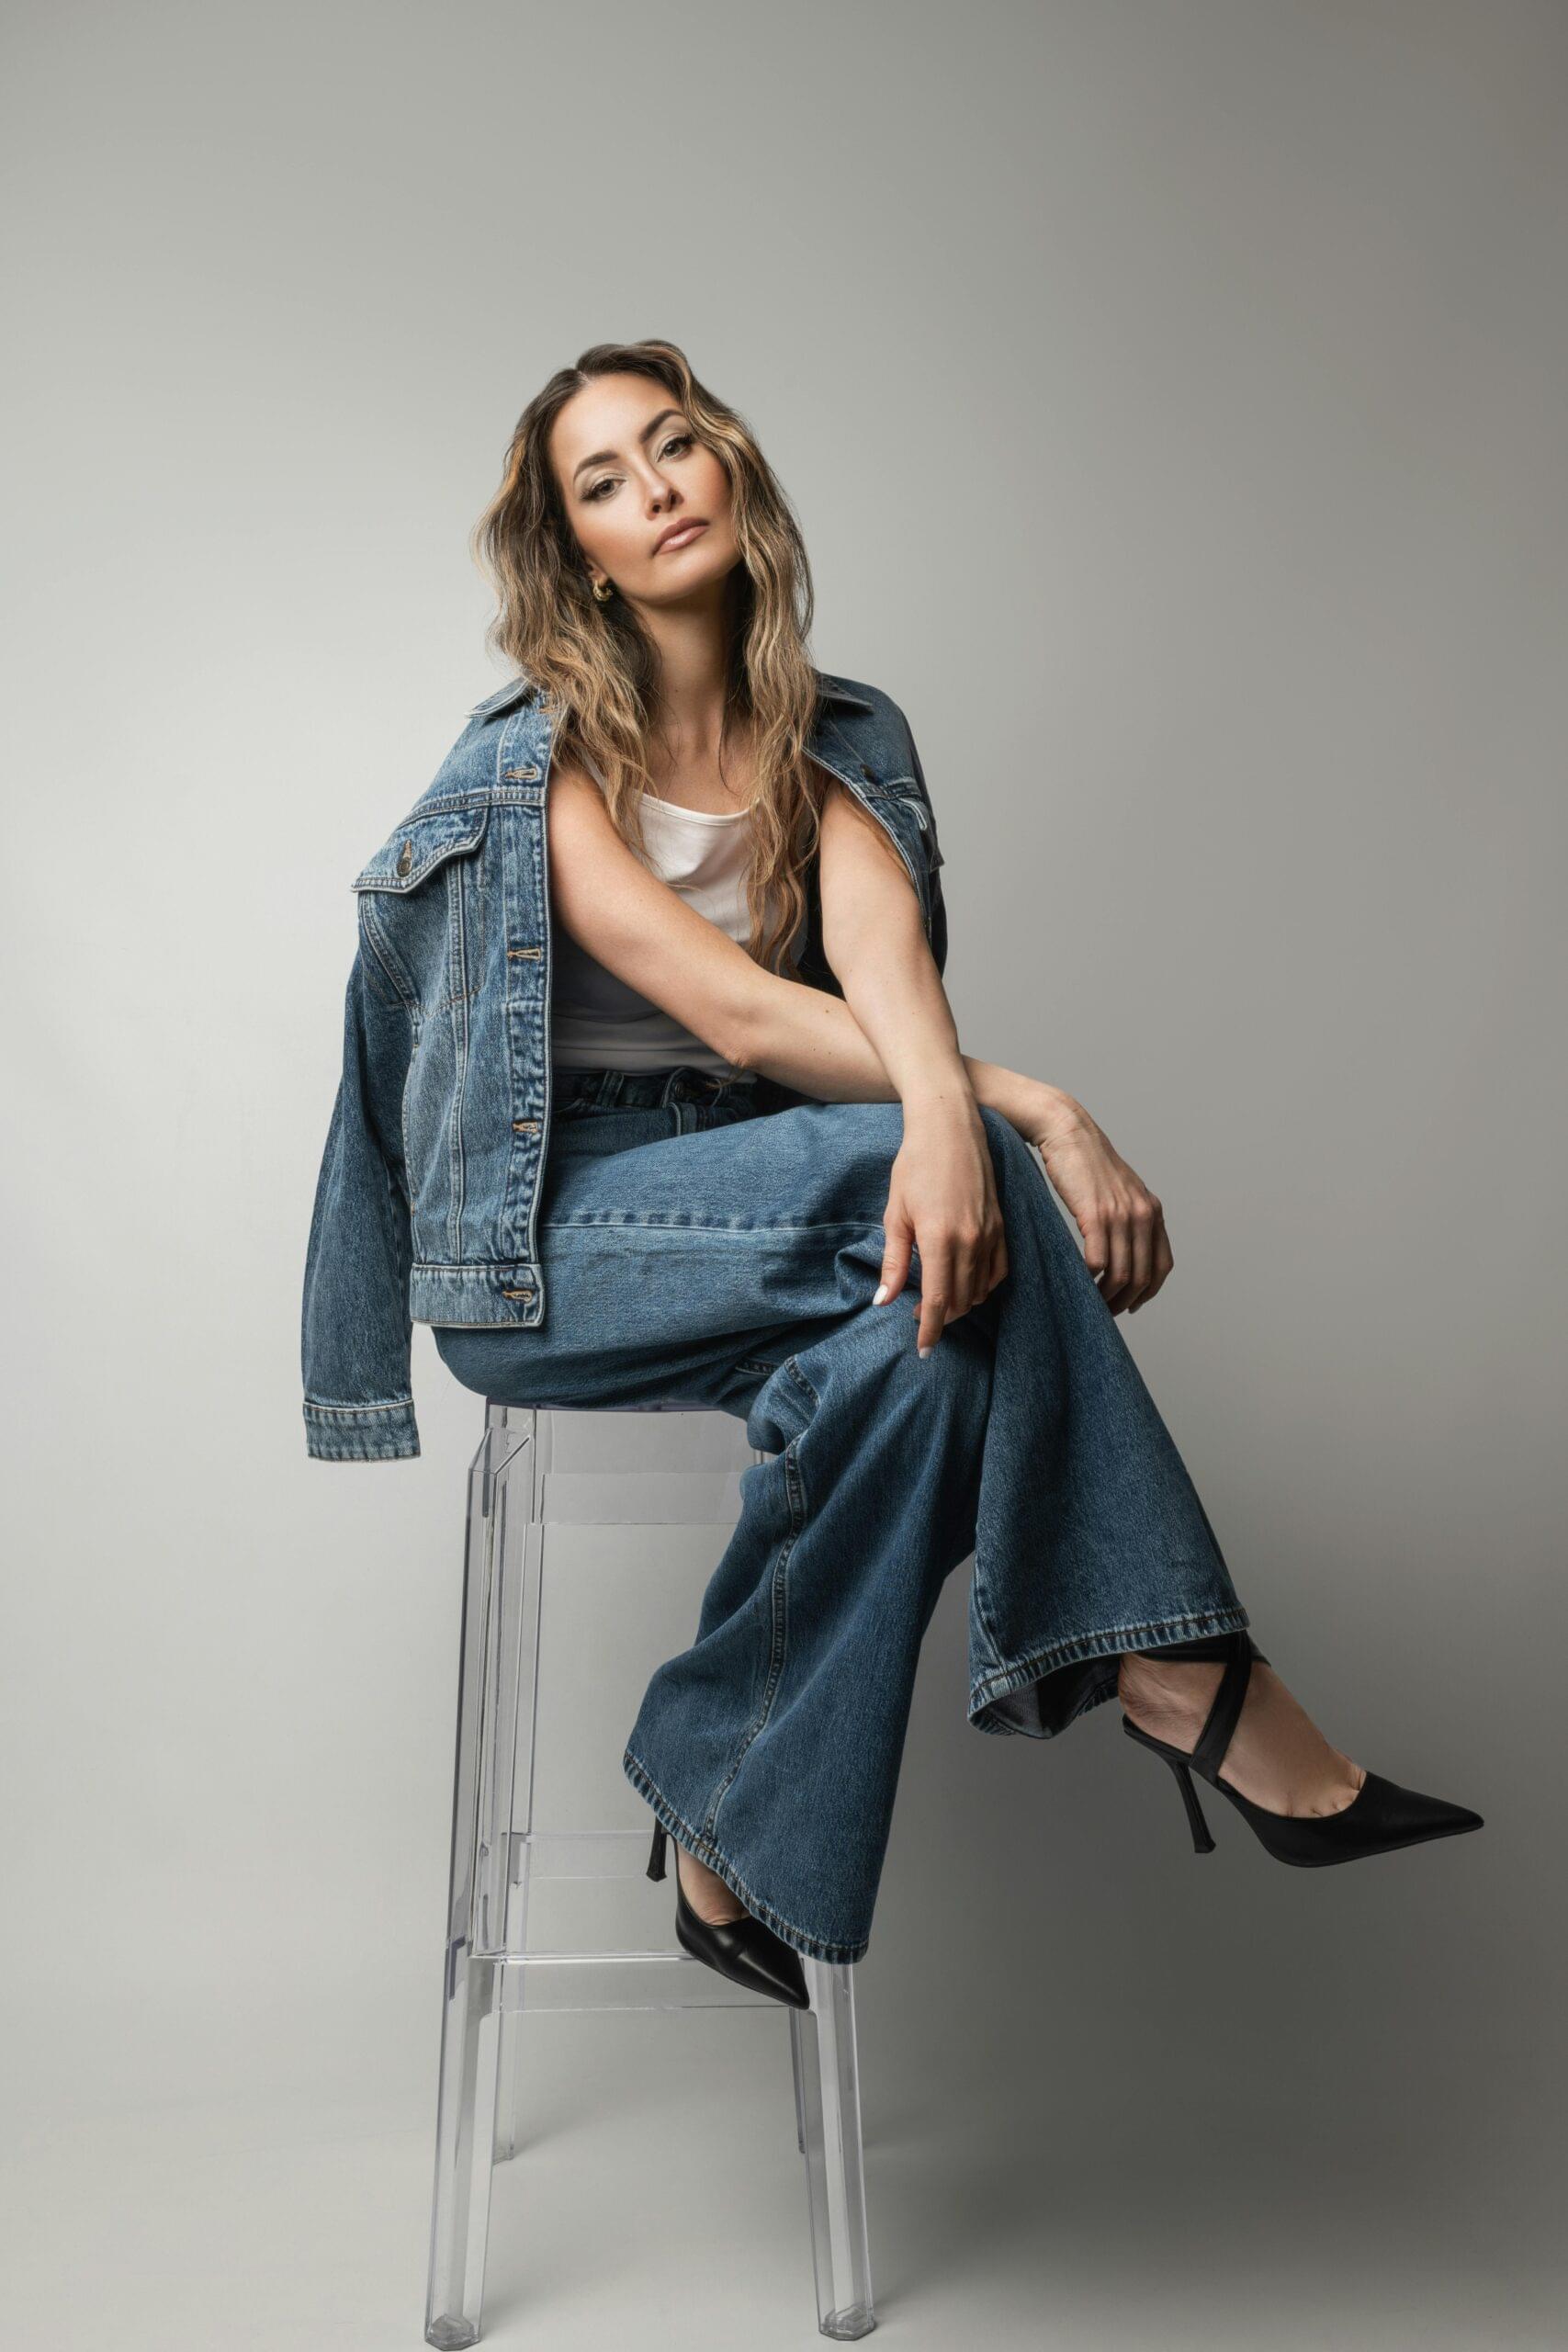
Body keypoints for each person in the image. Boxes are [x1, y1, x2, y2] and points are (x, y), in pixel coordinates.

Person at [301, 339, 1482, 2009]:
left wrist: (954, 1107)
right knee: (958, 1167)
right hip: (552, 1246)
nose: (657, 489)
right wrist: (1036, 1113)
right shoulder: (534, 762)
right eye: (604, 483)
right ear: (578, 552)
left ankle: (722, 1814)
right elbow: (738, 1009)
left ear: (729, 464)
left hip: (766, 1200)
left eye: (675, 444)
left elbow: (876, 982)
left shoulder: (842, 734)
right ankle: (1189, 1670)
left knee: (930, 1366)